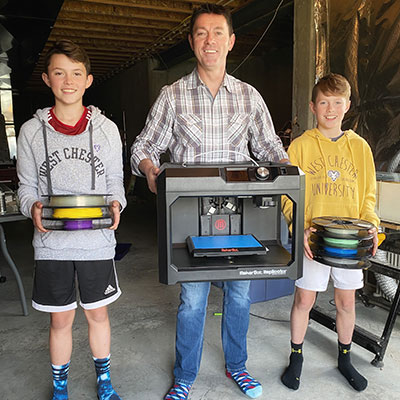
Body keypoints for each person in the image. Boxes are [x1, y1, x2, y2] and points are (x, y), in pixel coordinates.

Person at [131, 4, 289, 399]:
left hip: (242, 211)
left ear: (231, 41)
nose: (210, 40)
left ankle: (238, 366)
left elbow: (269, 145)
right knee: (193, 299)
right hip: (190, 213)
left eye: (218, 32)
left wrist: (286, 168)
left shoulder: (249, 97)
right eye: (201, 33)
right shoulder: (172, 95)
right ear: (191, 42)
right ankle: (185, 376)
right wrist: (151, 170)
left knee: (238, 294)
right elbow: (143, 146)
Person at [17, 40, 126, 400]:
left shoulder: (107, 130)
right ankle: (60, 387)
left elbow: (115, 182)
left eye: (76, 73)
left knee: (98, 316)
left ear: (88, 80)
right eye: (60, 73)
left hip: (96, 243)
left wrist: (117, 205)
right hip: (52, 245)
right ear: (47, 79)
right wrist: (31, 206)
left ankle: (104, 380)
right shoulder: (31, 132)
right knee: (59, 320)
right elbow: (26, 187)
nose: (68, 81)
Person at [281, 73, 379, 392]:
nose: (331, 108)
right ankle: (296, 357)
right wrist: (300, 228)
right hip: (314, 240)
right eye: (324, 102)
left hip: (350, 243)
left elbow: (368, 193)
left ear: (347, 106)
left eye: (337, 102)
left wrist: (371, 229)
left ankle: (345, 358)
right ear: (313, 106)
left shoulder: (360, 148)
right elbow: (286, 195)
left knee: (346, 303)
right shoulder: (299, 147)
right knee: (304, 299)